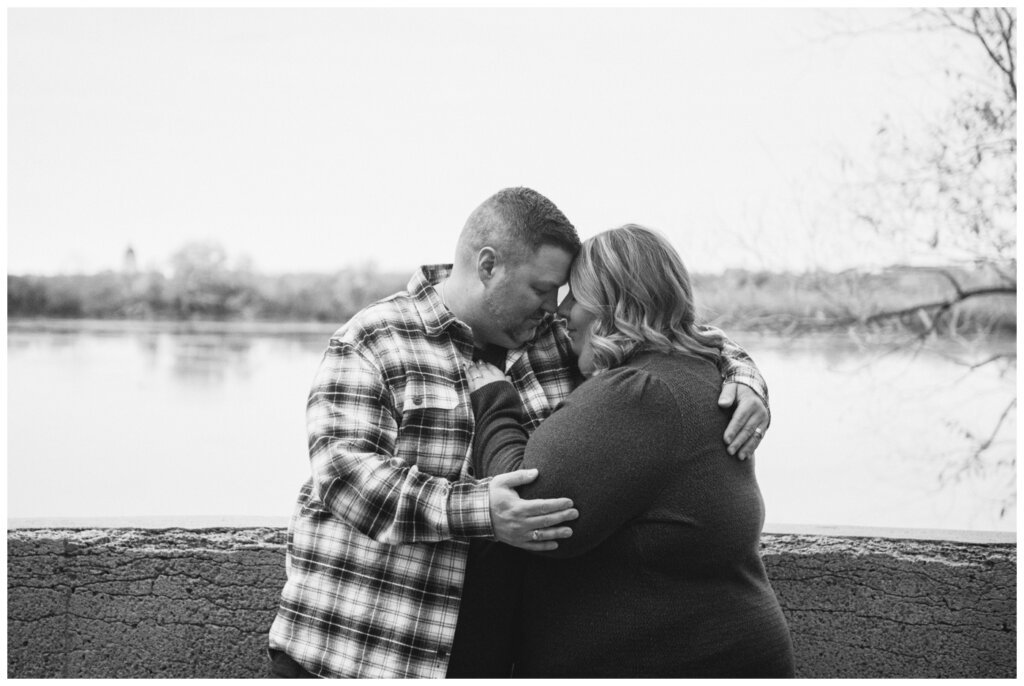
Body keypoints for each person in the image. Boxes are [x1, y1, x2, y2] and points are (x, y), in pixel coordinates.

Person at [267, 189, 771, 679]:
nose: (553, 307)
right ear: (488, 266)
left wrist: (744, 376)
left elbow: (666, 333)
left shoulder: (560, 338)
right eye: (540, 288)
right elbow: (343, 476)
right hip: (359, 657)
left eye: (561, 294)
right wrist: (483, 510)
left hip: (486, 664)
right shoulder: (374, 339)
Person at [464, 224, 794, 678]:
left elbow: (534, 511)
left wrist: (493, 400)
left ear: (610, 303)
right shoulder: (693, 372)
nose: (561, 311)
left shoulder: (642, 392)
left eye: (574, 295)